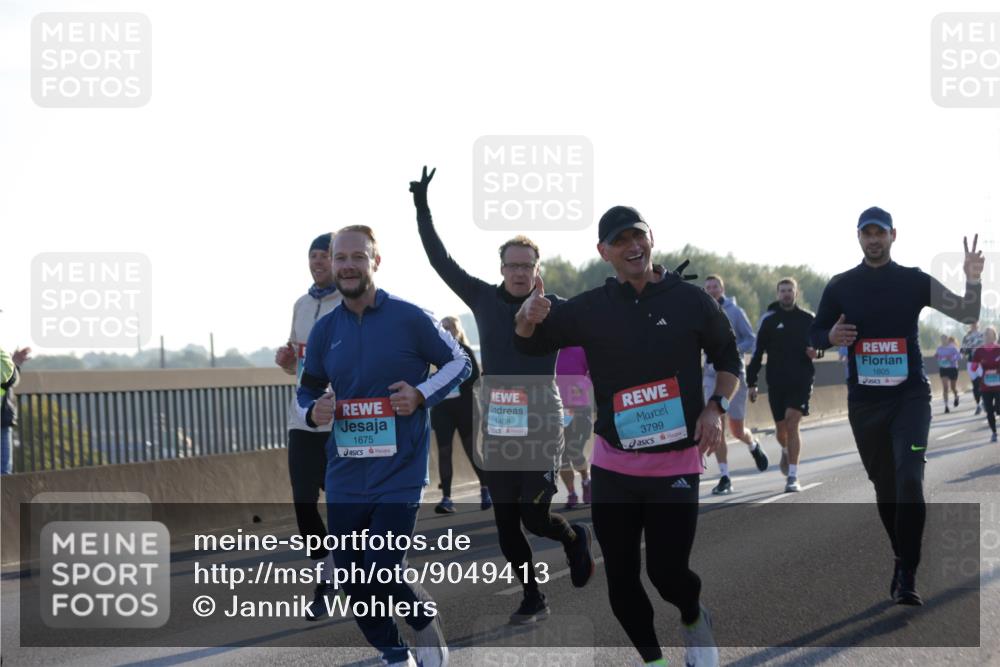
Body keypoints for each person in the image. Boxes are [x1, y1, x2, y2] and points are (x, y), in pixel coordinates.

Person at [514, 204, 739, 667]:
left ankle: (694, 617)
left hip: (675, 462)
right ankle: (653, 660)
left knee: (668, 573)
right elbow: (530, 341)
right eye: (620, 241)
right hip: (614, 464)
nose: (632, 247)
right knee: (621, 578)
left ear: (651, 238)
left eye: (638, 237)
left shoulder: (690, 300)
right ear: (604, 252)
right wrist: (527, 316)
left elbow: (729, 358)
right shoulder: (591, 308)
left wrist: (715, 408)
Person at [409, 166, 594, 626]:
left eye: (526, 265)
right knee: (507, 522)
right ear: (502, 269)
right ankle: (533, 596)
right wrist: (422, 208)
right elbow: (440, 260)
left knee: (534, 517)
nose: (517, 272)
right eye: (511, 264)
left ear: (537, 270)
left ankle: (572, 538)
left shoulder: (556, 309)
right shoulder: (482, 299)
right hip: (497, 417)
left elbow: (604, 326)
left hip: (542, 418)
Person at [296, 224, 470, 667]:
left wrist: (420, 394)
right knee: (354, 582)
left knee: (381, 567)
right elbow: (307, 388)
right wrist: (314, 408)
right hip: (345, 473)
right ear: (332, 265)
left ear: (376, 261)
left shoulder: (410, 317)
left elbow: (460, 362)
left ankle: (424, 622)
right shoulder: (324, 331)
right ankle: (395, 654)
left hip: (400, 471)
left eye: (358, 256)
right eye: (340, 258)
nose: (348, 265)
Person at [809, 206, 983, 607]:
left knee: (909, 480)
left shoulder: (913, 281)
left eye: (880, 233)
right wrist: (831, 335)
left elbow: (967, 312)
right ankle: (901, 555)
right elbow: (815, 331)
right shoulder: (841, 286)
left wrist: (972, 281)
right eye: (866, 233)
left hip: (910, 398)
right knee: (885, 489)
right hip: (865, 403)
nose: (873, 239)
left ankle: (908, 574)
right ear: (858, 238)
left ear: (893, 236)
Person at [274, 233, 343, 620]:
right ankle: (325, 572)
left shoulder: (350, 303)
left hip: (341, 419)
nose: (317, 263)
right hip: (302, 417)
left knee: (343, 504)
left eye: (324, 256)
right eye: (313, 256)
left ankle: (351, 575)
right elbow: (297, 363)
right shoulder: (301, 305)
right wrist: (286, 360)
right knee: (303, 500)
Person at [746, 278, 818, 492]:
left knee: (792, 421)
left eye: (790, 290)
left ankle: (793, 477)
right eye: (783, 291)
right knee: (781, 430)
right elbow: (757, 353)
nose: (786, 294)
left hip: (801, 380)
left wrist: (817, 352)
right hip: (776, 381)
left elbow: (820, 344)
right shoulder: (769, 321)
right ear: (778, 294)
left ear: (796, 293)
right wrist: (752, 383)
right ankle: (786, 450)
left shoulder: (808, 319)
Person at [702, 275, 767, 495]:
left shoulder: (735, 311)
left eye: (715, 286)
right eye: (708, 287)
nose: (712, 290)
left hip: (733, 374)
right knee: (715, 422)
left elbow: (751, 339)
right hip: (711, 375)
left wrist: (731, 351)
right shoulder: (700, 311)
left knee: (737, 429)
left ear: (722, 288)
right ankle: (725, 477)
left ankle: (753, 444)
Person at [431, 316, 489, 513]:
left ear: (457, 330)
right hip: (442, 410)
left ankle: (486, 488)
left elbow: (475, 379)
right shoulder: (432, 352)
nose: (447, 330)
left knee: (472, 450)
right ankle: (446, 498)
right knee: (444, 452)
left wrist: (451, 377)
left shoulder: (465, 351)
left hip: (465, 408)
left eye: (450, 327)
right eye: (443, 327)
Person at [555, 346, 593, 509]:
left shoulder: (580, 350)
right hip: (556, 409)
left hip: (579, 408)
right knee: (561, 455)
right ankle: (571, 493)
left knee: (573, 450)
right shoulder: (548, 352)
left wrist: (581, 387)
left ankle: (585, 480)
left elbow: (593, 372)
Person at [971, 326, 1000, 442]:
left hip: (998, 385)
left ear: (994, 335)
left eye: (990, 334)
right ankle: (994, 432)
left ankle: (996, 409)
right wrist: (975, 365)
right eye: (986, 334)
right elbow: (973, 367)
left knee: (998, 408)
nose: (988, 336)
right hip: (986, 385)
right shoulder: (979, 351)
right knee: (989, 411)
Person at [961, 322, 985, 415]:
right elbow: (963, 351)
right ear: (970, 325)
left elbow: (987, 346)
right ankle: (978, 405)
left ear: (978, 324)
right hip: (971, 362)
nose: (973, 325)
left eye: (975, 323)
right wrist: (966, 351)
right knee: (975, 384)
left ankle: (984, 401)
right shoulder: (966, 337)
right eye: (972, 323)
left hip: (981, 362)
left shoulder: (982, 335)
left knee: (981, 382)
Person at [935, 334, 962, 413]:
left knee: (953, 387)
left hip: (952, 368)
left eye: (945, 338)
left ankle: (956, 397)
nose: (943, 340)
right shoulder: (939, 348)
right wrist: (937, 357)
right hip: (943, 368)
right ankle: (946, 406)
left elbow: (959, 356)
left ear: (947, 339)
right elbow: (937, 356)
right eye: (942, 339)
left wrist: (951, 358)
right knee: (945, 387)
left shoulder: (953, 348)